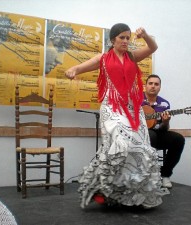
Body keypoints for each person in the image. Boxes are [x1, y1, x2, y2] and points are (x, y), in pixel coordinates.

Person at [65, 23, 168, 209]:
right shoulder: (103, 58)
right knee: (120, 142)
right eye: (122, 37)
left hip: (131, 109)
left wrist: (145, 35)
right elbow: (80, 67)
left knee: (139, 148)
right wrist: (73, 70)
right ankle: (104, 187)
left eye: (128, 38)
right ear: (113, 39)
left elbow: (153, 47)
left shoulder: (132, 56)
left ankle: (126, 192)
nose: (126, 41)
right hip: (111, 106)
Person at [142, 74, 185, 188]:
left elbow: (164, 129)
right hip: (138, 135)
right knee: (151, 135)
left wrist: (166, 122)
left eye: (156, 84)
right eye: (150, 83)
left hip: (157, 134)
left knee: (178, 139)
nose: (153, 86)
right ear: (145, 86)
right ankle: (149, 174)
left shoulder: (164, 104)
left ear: (160, 87)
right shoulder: (136, 100)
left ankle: (165, 174)